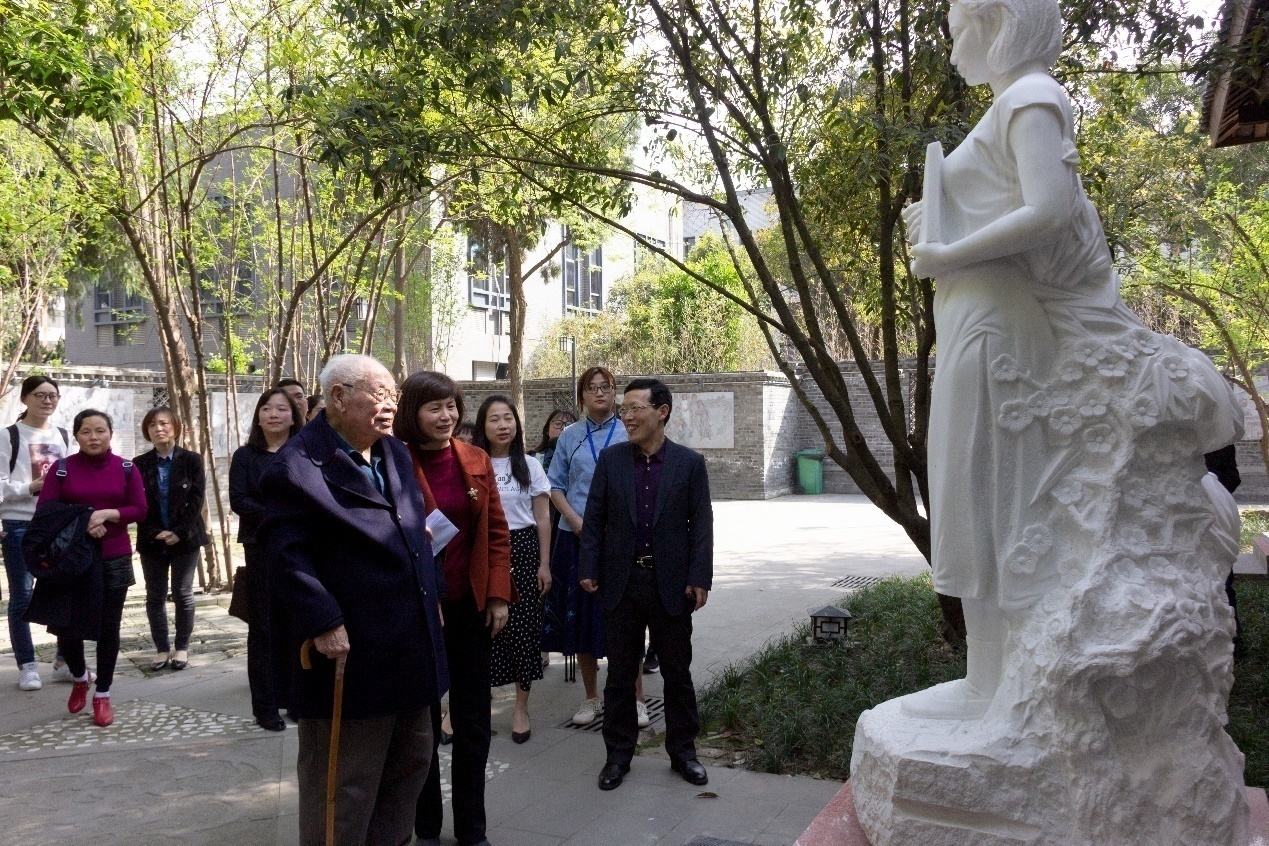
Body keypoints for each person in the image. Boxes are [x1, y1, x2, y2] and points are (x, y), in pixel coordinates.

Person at [899, 0, 1243, 719]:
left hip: (998, 329)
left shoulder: (1029, 95)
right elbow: (1007, 207)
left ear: (995, 22)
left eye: (958, 30)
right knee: (973, 492)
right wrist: (937, 224)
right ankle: (986, 677)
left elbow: (1049, 210)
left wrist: (944, 253)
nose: (952, 48)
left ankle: (995, 685)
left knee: (991, 495)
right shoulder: (1006, 108)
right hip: (976, 319)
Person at [259, 354, 446, 846]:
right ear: (338, 398)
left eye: (394, 396)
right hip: (351, 654)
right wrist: (323, 620)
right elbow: (284, 556)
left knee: (409, 766)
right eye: (380, 395)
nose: (391, 406)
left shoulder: (394, 451)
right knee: (345, 783)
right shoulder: (297, 467)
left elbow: (414, 527)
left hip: (411, 646)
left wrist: (432, 590)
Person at [579, 378, 714, 790]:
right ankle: (618, 756)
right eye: (624, 410)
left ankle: (683, 753)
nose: (627, 417)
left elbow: (701, 525)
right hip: (621, 583)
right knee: (620, 675)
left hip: (671, 584)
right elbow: (594, 519)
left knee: (677, 673)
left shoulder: (689, 463)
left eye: (636, 408)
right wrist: (589, 567)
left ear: (662, 411)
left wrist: (699, 577)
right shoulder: (612, 460)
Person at [396, 371, 511, 846]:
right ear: (412, 412)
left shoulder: (475, 458)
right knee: (421, 723)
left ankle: (472, 829)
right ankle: (425, 826)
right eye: (434, 408)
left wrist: (499, 594)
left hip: (469, 607)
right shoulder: (393, 460)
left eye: (451, 407)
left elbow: (498, 533)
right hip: (418, 611)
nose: (446, 417)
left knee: (473, 721)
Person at [35, 409, 147, 727]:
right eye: (86, 431)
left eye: (100, 430)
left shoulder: (126, 469)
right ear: (76, 436)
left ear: (111, 434)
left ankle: (103, 694)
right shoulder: (61, 469)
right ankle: (80, 676)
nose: (93, 437)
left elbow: (139, 509)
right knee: (66, 627)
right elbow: (46, 509)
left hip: (113, 556)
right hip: (71, 559)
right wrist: (85, 519)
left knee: (108, 628)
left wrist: (108, 514)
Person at [545, 366, 631, 726]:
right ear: (582, 396)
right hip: (576, 536)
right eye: (592, 388)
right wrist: (574, 519)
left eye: (605, 387)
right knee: (580, 617)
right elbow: (555, 486)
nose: (599, 393)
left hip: (621, 539)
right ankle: (592, 697)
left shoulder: (628, 430)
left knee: (626, 617)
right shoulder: (571, 436)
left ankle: (636, 698)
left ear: (615, 393)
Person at [473, 395, 552, 744]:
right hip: (481, 550)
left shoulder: (530, 465)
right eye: (494, 419)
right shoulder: (473, 461)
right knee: (478, 630)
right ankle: (465, 707)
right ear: (483, 425)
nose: (503, 425)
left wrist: (544, 564)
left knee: (522, 631)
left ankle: (521, 708)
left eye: (508, 418)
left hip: (522, 549)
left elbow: (543, 518)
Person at [229, 388, 302, 731]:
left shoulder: (304, 452)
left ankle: (297, 699)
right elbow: (239, 500)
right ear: (258, 417)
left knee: (299, 622)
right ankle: (265, 705)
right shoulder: (245, 456)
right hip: (260, 547)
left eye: (282, 409)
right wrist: (279, 516)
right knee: (263, 626)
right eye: (267, 409)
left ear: (293, 416)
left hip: (301, 546)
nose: (274, 414)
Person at [0, 375, 72, 691]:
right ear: (25, 398)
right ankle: (27, 666)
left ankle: (63, 662)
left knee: (63, 593)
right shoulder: (8, 436)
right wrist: (30, 487)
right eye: (40, 395)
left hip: (57, 525)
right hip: (19, 525)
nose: (47, 401)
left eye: (52, 395)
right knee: (22, 597)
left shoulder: (64, 435)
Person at [134, 407, 209, 672]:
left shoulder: (191, 460)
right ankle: (161, 649)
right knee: (155, 595)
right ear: (147, 431)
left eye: (164, 423)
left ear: (176, 427)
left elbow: (197, 499)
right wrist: (155, 531)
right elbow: (137, 502)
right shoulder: (138, 463)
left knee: (183, 593)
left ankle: (182, 647)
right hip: (152, 539)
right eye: (152, 425)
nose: (159, 429)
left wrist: (178, 532)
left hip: (186, 538)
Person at [530, 409, 577, 475]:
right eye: (558, 423)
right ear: (547, 430)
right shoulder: (533, 459)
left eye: (569, 425)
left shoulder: (582, 458)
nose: (564, 428)